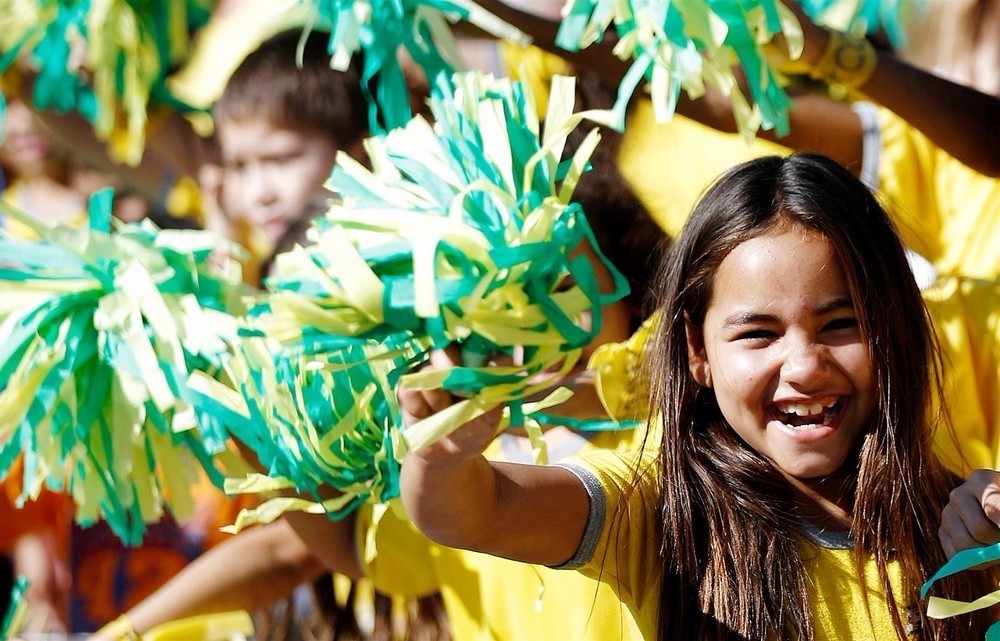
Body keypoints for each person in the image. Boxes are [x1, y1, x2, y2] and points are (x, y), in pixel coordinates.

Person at [398, 153, 999, 640]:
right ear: (697, 350)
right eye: (758, 334)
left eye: (842, 324)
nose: (805, 367)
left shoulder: (964, 528)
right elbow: (476, 510)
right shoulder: (656, 512)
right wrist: (441, 455)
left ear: (896, 325)